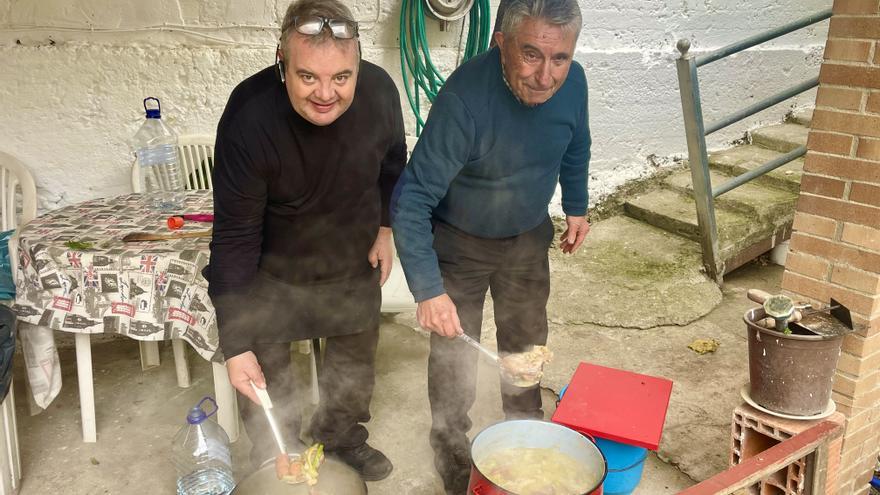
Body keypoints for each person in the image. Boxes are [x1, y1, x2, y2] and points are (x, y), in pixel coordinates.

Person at [390, 0, 591, 492]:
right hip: (460, 240)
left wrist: (577, 204)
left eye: (559, 58)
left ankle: (524, 423)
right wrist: (428, 291)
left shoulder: (575, 82)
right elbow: (410, 200)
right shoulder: (464, 102)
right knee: (454, 349)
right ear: (500, 41)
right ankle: (450, 442)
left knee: (526, 340)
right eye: (531, 55)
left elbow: (576, 143)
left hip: (526, 237)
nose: (546, 76)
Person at [205, 0, 406, 481]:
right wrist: (236, 345)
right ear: (281, 62)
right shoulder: (250, 115)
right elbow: (232, 236)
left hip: (349, 257)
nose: (326, 94)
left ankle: (341, 437)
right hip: (272, 269)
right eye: (308, 77)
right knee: (267, 376)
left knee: (354, 364)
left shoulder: (379, 90)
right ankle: (274, 446)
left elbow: (395, 165)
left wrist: (385, 226)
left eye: (341, 77)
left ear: (358, 65)